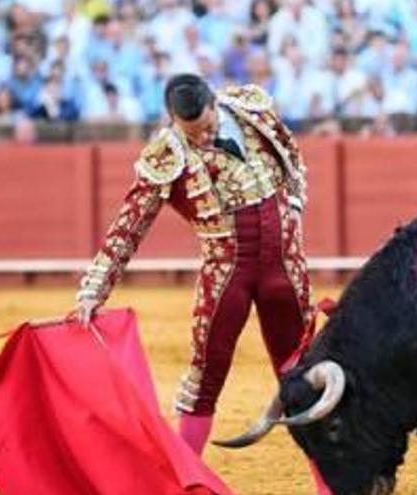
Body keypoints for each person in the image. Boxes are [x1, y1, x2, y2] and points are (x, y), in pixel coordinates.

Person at [74, 74, 329, 494]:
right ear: (174, 122)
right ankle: (179, 486)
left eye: (208, 128)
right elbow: (129, 225)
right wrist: (93, 290)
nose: (205, 139)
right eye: (193, 135)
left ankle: (329, 487)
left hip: (286, 270)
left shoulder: (253, 110)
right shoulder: (166, 153)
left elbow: (292, 157)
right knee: (203, 382)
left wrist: (295, 206)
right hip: (226, 275)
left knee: (303, 380)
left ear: (216, 103)